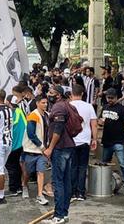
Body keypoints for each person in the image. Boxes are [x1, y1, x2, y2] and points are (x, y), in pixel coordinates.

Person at [43, 85, 77, 224]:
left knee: (58, 182)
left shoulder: (58, 107)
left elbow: (58, 128)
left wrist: (50, 148)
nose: (48, 94)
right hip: (68, 147)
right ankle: (64, 213)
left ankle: (59, 215)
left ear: (58, 95)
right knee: (66, 181)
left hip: (60, 148)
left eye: (51, 92)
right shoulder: (66, 105)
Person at [99, 88, 124, 198]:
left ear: (116, 97)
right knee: (104, 164)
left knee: (123, 164)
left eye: (112, 98)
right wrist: (100, 122)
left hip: (118, 141)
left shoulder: (121, 109)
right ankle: (104, 186)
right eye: (108, 98)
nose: (109, 100)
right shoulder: (104, 107)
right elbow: (100, 120)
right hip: (107, 141)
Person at [70, 84, 98, 200]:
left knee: (72, 166)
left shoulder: (68, 106)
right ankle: (81, 192)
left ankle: (72, 192)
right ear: (82, 94)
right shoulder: (89, 106)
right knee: (82, 167)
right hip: (85, 140)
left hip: (71, 140)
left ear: (71, 94)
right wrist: (94, 138)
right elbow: (94, 124)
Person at [22, 94, 51, 204]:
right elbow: (31, 134)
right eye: (43, 102)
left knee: (41, 171)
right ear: (37, 103)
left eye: (46, 102)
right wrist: (43, 147)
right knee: (27, 172)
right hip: (31, 150)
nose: (45, 104)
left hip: (41, 151)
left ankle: (39, 195)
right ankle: (24, 186)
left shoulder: (47, 115)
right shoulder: (33, 115)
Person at [5, 94, 26, 197]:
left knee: (11, 166)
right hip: (21, 144)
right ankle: (18, 187)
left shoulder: (12, 113)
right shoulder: (19, 112)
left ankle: (13, 188)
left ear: (9, 103)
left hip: (14, 145)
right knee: (16, 166)